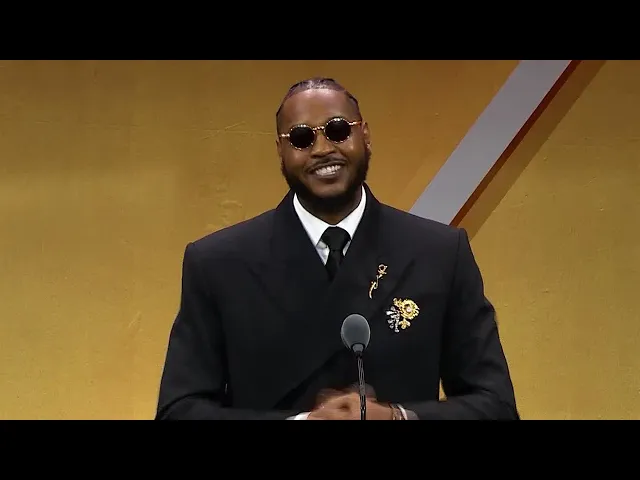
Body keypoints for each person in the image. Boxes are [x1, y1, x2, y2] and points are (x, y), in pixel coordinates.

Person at [155, 77, 519, 420]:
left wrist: (398, 416)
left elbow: (496, 405)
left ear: (365, 135)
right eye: (301, 138)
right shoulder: (219, 264)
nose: (323, 149)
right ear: (281, 150)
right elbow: (179, 411)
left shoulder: (439, 253)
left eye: (338, 130)